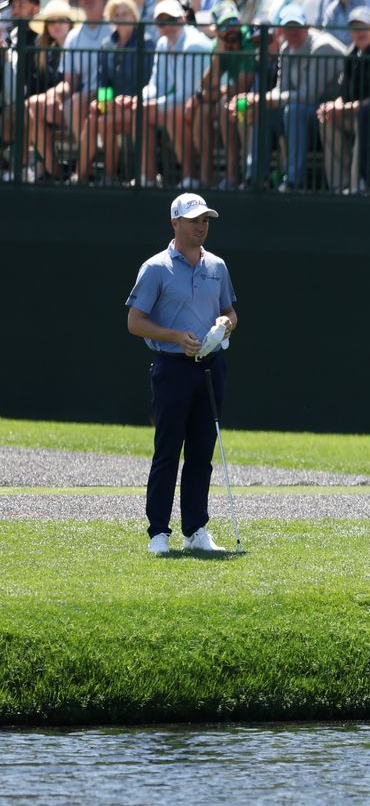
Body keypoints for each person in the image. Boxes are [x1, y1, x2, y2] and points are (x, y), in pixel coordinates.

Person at [125, 193, 240, 556]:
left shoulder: (217, 266)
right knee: (168, 451)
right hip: (172, 367)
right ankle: (159, 532)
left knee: (202, 452)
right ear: (175, 222)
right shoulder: (156, 268)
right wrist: (175, 336)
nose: (201, 227)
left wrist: (226, 323)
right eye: (193, 221)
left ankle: (196, 530)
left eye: (205, 220)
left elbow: (231, 312)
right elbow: (135, 322)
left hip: (210, 367)